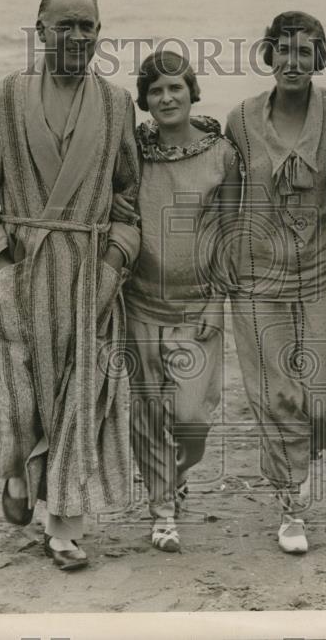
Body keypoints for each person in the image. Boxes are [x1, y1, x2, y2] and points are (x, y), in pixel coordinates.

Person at [0, 0, 141, 571]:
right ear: (39, 30)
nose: (79, 36)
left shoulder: (117, 106)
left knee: (84, 399)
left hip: (92, 276)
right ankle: (17, 469)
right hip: (23, 273)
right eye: (66, 25)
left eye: (89, 26)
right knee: (21, 395)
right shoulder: (0, 102)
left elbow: (127, 201)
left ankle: (64, 524)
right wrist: (3, 268)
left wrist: (115, 262)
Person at [224, 11, 326, 554]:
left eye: (305, 53)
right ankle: (291, 507)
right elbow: (224, 196)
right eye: (283, 50)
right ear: (268, 54)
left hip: (320, 277)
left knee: (325, 401)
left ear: (320, 59)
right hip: (256, 280)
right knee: (278, 397)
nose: (293, 62)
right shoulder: (239, 119)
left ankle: (297, 464)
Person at [111, 51, 242, 553]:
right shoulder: (132, 152)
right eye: (156, 91)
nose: (166, 98)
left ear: (193, 92)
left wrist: (218, 299)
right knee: (146, 412)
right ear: (144, 101)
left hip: (200, 303)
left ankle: (176, 474)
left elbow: (231, 231)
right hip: (140, 301)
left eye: (176, 88)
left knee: (193, 419)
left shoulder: (222, 155)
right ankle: (162, 508)